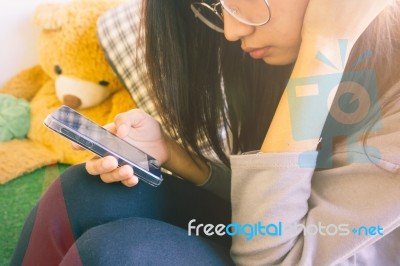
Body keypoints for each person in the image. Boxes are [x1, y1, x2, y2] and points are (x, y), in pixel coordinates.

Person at [11, 0, 400, 265]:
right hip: (273, 240)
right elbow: (285, 202)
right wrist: (171, 154)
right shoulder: (289, 58)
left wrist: (326, 44)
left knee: (119, 253)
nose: (230, 29)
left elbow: (273, 256)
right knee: (87, 190)